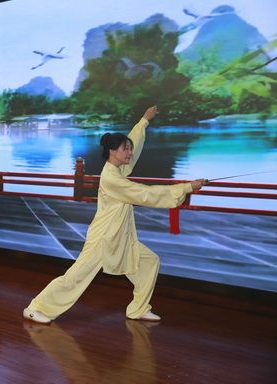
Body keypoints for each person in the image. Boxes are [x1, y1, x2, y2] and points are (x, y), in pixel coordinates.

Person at [23, 106, 205, 324]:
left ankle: (138, 309)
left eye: (129, 149)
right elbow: (144, 194)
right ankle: (36, 308)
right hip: (104, 238)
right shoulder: (112, 178)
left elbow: (134, 147)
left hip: (121, 237)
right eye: (125, 149)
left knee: (149, 262)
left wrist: (144, 121)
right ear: (112, 151)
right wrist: (186, 187)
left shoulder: (119, 170)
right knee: (75, 277)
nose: (129, 153)